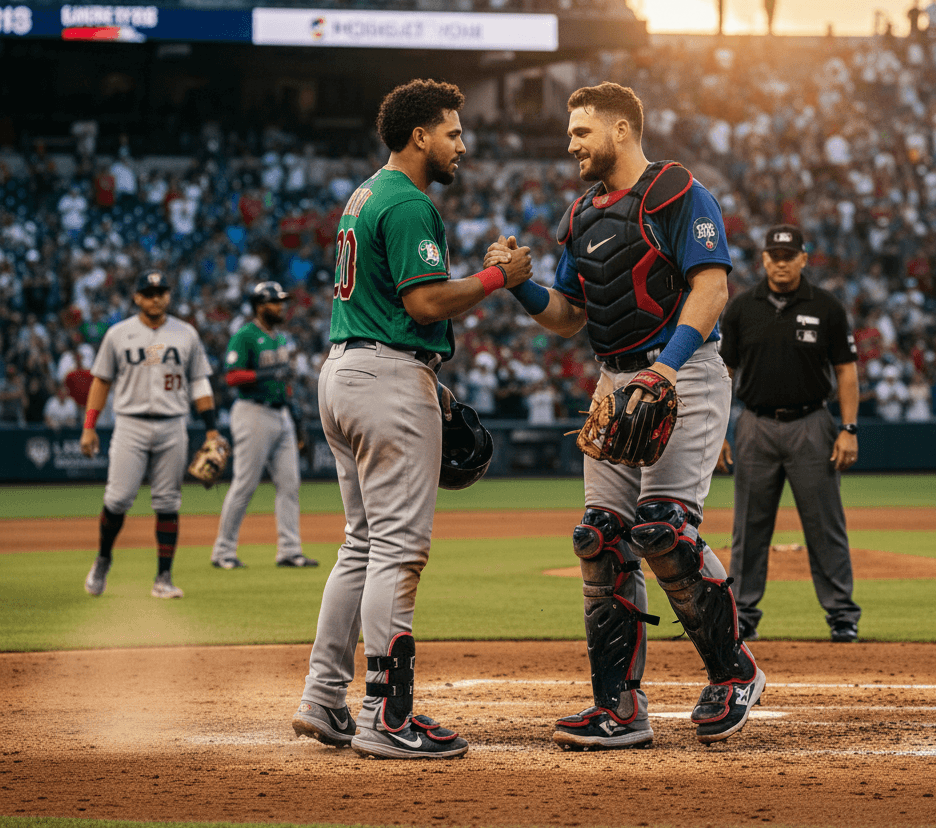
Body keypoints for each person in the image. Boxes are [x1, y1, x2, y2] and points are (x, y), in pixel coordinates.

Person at [484, 81, 764, 749]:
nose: (571, 144)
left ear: (620, 130)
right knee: (599, 537)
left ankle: (735, 673)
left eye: (581, 132)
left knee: (663, 529)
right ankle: (618, 706)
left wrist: (665, 369)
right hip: (615, 381)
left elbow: (711, 287)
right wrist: (521, 286)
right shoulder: (581, 215)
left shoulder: (678, 192)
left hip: (681, 372)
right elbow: (569, 317)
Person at [291, 79, 532, 760]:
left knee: (362, 543)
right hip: (385, 378)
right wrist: (499, 279)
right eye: (453, 132)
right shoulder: (407, 201)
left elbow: (393, 308)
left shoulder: (365, 194)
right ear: (420, 136)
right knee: (397, 548)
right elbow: (424, 304)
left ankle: (322, 696)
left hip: (348, 370)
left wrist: (429, 380)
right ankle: (385, 715)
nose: (462, 144)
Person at [717, 225, 861, 643]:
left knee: (825, 526)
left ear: (803, 259)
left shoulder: (827, 306)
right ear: (764, 259)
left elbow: (846, 371)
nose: (781, 263)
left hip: (811, 423)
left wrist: (849, 428)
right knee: (748, 528)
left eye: (788, 256)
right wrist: (718, 432)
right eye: (774, 256)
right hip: (754, 424)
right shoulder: (741, 307)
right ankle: (743, 615)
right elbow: (723, 373)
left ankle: (842, 615)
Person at [80, 270, 225, 599]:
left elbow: (199, 382)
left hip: (173, 423)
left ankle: (163, 578)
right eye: (148, 293)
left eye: (161, 292)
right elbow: (101, 381)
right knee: (117, 499)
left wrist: (211, 429)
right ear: (137, 297)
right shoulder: (118, 334)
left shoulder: (186, 333)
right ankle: (103, 559)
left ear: (169, 296)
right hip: (130, 423)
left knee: (168, 502)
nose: (156, 298)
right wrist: (89, 426)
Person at [211, 281, 318, 570]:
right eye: (275, 302)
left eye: (282, 301)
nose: (281, 306)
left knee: (290, 484)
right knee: (245, 484)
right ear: (259, 306)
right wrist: (267, 373)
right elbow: (231, 376)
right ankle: (223, 551)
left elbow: (285, 382)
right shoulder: (245, 335)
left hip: (281, 413)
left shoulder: (281, 338)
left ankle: (289, 550)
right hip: (252, 412)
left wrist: (297, 421)